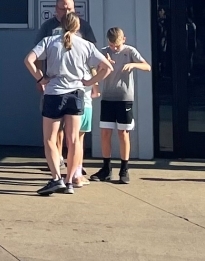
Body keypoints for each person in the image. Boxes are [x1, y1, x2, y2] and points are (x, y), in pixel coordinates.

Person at [25, 11, 110, 195]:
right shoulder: (86, 45)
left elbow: (29, 60)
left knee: (50, 139)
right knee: (74, 140)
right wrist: (90, 81)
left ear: (61, 25)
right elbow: (107, 67)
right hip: (76, 94)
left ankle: (56, 178)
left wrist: (41, 79)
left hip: (54, 93)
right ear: (78, 26)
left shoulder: (49, 41)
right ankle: (70, 180)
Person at [90, 27, 151, 185]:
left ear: (124, 39)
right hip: (108, 97)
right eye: (111, 45)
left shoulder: (130, 51)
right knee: (105, 132)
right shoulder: (104, 52)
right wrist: (102, 67)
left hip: (124, 98)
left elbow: (147, 66)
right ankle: (106, 168)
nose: (114, 48)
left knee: (123, 133)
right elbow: (92, 69)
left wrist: (133, 65)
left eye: (117, 45)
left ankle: (124, 168)